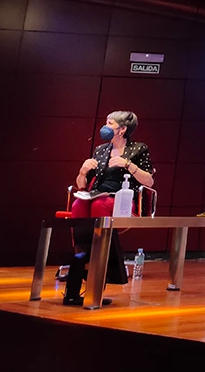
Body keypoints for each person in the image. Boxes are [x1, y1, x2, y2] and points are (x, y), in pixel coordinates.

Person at [62, 110, 155, 306]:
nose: (105, 127)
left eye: (109, 123)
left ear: (122, 129)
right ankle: (81, 258)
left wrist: (128, 165)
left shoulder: (138, 149)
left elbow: (149, 181)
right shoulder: (101, 150)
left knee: (99, 204)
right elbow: (81, 185)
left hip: (122, 198)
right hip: (97, 194)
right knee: (79, 203)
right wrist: (83, 171)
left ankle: (99, 269)